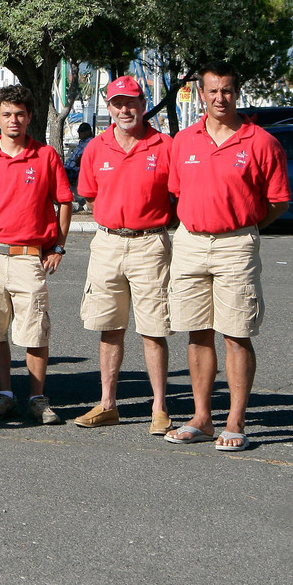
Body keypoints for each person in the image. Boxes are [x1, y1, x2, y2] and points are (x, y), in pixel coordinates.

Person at [164, 62, 289, 452]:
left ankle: (235, 421)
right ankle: (202, 418)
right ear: (202, 94)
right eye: (213, 91)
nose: (221, 98)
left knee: (236, 333)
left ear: (237, 92)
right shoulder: (184, 141)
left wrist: (245, 225)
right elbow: (177, 192)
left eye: (228, 90)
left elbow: (278, 202)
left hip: (236, 244)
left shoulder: (262, 142)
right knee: (197, 332)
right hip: (190, 243)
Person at [0, 85, 71, 424]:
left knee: (35, 330)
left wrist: (59, 246)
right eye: (7, 114)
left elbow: (64, 201)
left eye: (20, 114)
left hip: (29, 256)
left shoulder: (45, 156)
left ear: (29, 117)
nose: (13, 120)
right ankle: (5, 395)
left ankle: (37, 398)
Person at [71, 76, 175, 433]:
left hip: (151, 244)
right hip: (108, 243)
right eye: (117, 103)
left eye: (131, 102)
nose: (124, 110)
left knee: (154, 328)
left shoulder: (164, 146)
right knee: (109, 326)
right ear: (109, 107)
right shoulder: (96, 148)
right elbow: (89, 196)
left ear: (143, 105)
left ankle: (159, 407)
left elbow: (178, 195)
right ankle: (107, 404)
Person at [66, 122, 95, 211]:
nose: (79, 133)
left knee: (58, 175)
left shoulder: (90, 142)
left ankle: (67, 199)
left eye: (81, 131)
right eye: (79, 131)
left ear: (88, 132)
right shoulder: (82, 142)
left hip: (76, 169)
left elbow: (84, 157)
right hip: (70, 167)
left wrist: (78, 159)